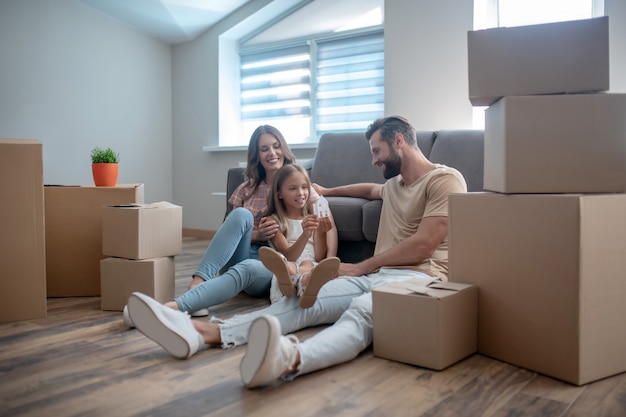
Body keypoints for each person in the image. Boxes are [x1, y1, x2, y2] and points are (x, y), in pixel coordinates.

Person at [125, 115, 467, 389]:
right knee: (301, 301)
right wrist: (328, 190)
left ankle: (291, 358)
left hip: (417, 278)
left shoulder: (444, 180)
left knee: (361, 316)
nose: (374, 159)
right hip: (375, 274)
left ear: (399, 142)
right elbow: (371, 189)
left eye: (376, 151)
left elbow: (424, 244)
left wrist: (361, 267)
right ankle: (204, 333)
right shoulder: (395, 184)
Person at [123, 125, 321, 326]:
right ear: (257, 155)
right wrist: (257, 234)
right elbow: (230, 231)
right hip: (241, 253)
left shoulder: (302, 188)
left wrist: (327, 193)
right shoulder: (247, 189)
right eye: (264, 149)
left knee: (249, 267)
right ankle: (198, 283)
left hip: (268, 263)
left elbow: (319, 209)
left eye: (276, 146)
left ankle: (173, 307)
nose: (272, 153)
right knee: (241, 214)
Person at [258, 164, 339, 308]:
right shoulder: (274, 221)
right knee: (285, 262)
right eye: (292, 188)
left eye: (304, 187)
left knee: (308, 264)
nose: (301, 193)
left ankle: (304, 281)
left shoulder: (313, 218)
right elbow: (290, 256)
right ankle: (293, 281)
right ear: (279, 193)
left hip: (312, 268)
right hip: (288, 266)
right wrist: (305, 234)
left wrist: (320, 232)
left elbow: (319, 257)